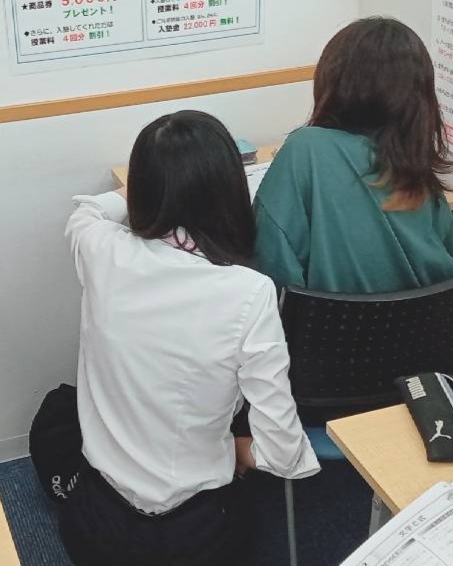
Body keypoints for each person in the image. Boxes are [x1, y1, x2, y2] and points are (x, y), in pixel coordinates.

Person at [61, 110, 319, 566]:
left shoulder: (99, 248)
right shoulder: (248, 292)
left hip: (95, 526)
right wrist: (239, 451)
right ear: (229, 193)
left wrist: (153, 191)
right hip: (198, 536)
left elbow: (88, 210)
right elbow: (283, 452)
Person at [253, 17, 453, 294]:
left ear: (333, 82)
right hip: (431, 320)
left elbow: (271, 268)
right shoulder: (417, 167)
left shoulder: (306, 149)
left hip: (327, 321)